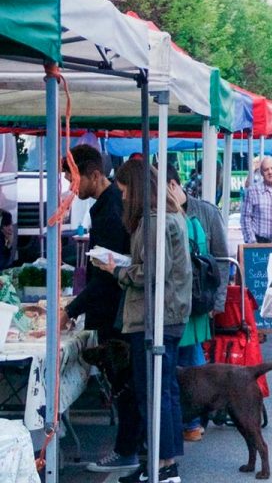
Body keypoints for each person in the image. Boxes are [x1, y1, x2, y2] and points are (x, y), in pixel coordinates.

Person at [94, 160, 192, 483]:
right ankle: (164, 465)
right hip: (169, 315)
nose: (121, 198)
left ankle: (163, 468)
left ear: (134, 189)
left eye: (123, 192)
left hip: (156, 318)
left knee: (154, 392)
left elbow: (150, 273)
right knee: (164, 391)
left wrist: (117, 270)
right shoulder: (167, 214)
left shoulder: (153, 220)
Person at [59, 145, 141, 473]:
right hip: (114, 307)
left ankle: (127, 450)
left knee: (123, 384)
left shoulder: (109, 211)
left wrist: (72, 309)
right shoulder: (105, 207)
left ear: (95, 174)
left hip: (116, 311)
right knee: (124, 384)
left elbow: (106, 277)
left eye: (73, 178)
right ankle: (130, 447)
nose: (70, 186)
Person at [166, 165, 229, 442]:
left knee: (191, 358)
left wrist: (220, 299)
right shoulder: (162, 213)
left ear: (171, 185)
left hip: (197, 302)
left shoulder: (205, 212)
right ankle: (190, 418)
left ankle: (194, 419)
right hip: (174, 302)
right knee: (182, 360)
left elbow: (222, 259)